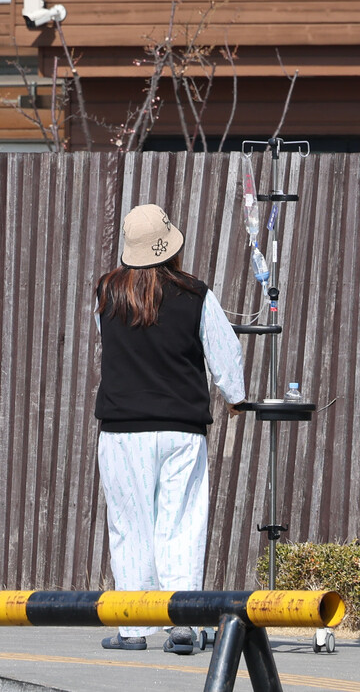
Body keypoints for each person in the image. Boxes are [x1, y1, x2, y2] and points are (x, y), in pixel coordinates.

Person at [94, 203, 246, 655]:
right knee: (180, 524)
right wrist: (233, 397)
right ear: (170, 245)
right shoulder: (196, 294)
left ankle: (134, 628)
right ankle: (183, 624)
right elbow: (225, 352)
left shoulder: (106, 292)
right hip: (181, 428)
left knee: (129, 525)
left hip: (121, 429)